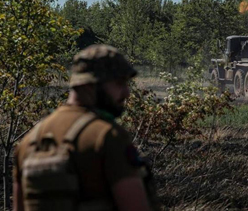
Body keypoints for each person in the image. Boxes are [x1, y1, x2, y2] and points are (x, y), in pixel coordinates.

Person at [13, 44, 153, 211]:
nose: (126, 92)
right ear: (89, 85)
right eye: (119, 83)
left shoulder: (29, 141)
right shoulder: (107, 136)